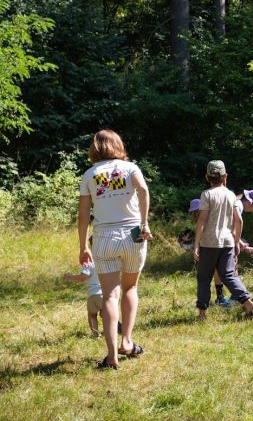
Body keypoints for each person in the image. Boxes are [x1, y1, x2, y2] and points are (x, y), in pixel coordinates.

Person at [78, 129, 151, 369]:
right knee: (130, 287)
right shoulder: (130, 168)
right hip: (133, 234)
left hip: (103, 237)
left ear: (95, 148)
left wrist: (82, 247)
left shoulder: (89, 174)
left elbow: (83, 216)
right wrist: (144, 223)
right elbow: (143, 190)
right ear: (118, 145)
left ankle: (112, 356)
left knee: (110, 295)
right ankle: (127, 342)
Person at [193, 160, 253, 321]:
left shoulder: (207, 195)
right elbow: (239, 220)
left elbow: (202, 219)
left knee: (204, 277)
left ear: (207, 177)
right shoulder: (231, 195)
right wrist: (237, 241)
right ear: (225, 177)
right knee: (229, 275)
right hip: (227, 242)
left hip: (209, 243)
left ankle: (202, 314)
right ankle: (249, 304)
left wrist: (196, 244)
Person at [181, 199, 231, 307]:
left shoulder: (205, 219)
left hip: (211, 248)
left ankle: (215, 299)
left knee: (210, 274)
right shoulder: (203, 219)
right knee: (211, 274)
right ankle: (216, 298)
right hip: (209, 248)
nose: (196, 213)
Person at [63, 259, 104, 338]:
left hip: (93, 294)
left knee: (92, 315)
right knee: (106, 315)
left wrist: (69, 277)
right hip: (105, 294)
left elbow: (82, 277)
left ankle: (96, 335)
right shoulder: (106, 260)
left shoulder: (89, 264)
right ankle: (109, 332)